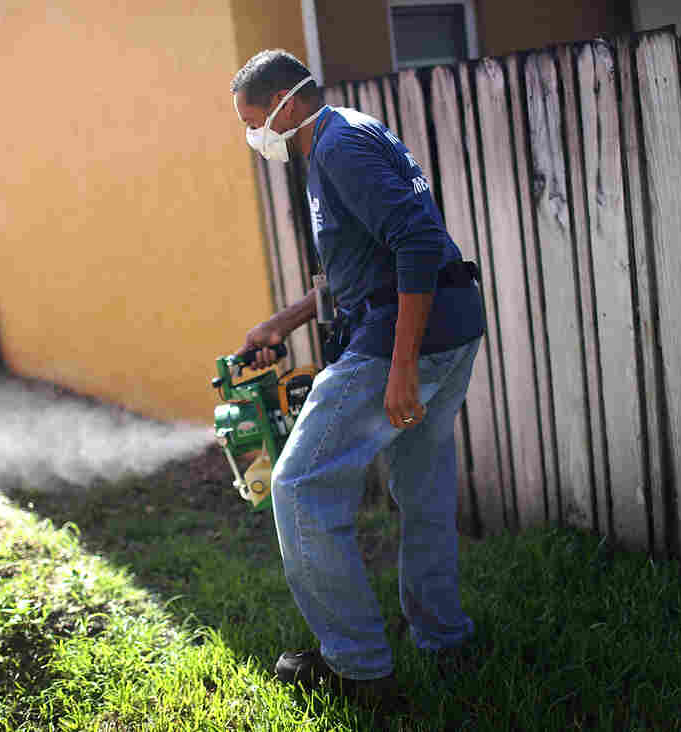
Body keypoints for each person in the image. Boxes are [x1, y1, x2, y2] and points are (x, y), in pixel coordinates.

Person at [230, 49, 486, 703]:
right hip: (451, 326)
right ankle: (445, 638)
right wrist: (284, 323)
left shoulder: (337, 147)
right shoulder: (345, 134)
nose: (254, 135)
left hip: (408, 342)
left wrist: (399, 369)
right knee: (423, 491)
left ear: (287, 101)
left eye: (254, 119)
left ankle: (357, 668)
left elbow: (419, 244)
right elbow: (365, 263)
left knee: (298, 487)